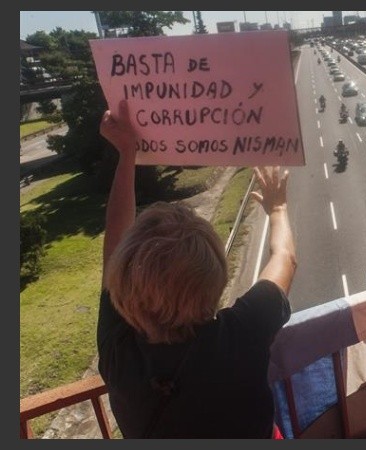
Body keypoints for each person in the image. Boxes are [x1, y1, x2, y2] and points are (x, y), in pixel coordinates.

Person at [97, 100, 297, 438]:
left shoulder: (120, 354)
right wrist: (277, 208)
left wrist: (126, 154)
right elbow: (286, 257)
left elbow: (114, 245)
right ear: (216, 279)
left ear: (124, 282)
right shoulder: (241, 334)